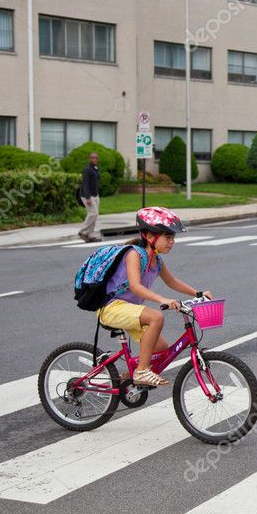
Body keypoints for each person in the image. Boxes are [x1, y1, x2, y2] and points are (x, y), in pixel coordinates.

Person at [97, 207, 212, 387]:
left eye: (173, 237)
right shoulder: (134, 254)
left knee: (160, 348)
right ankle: (142, 372)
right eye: (168, 237)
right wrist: (162, 300)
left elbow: (172, 281)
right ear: (150, 237)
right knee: (156, 317)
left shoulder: (156, 260)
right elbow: (135, 286)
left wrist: (198, 293)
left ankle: (124, 381)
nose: (172, 242)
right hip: (111, 307)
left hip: (131, 310)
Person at [78, 152, 102, 243]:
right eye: (92, 158)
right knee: (93, 213)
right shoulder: (87, 170)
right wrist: (88, 197)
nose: (94, 159)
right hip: (87, 195)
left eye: (96, 158)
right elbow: (85, 184)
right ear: (89, 159)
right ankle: (83, 232)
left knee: (95, 215)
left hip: (95, 195)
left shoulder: (95, 169)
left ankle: (90, 235)